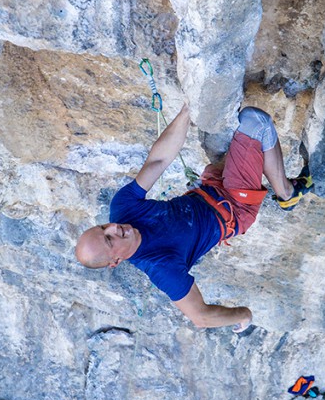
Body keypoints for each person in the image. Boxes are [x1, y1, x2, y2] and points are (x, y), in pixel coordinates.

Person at [75, 104, 311, 331]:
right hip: (236, 208)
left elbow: (158, 160)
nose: (115, 227)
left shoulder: (122, 208)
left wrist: (186, 111)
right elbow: (200, 317)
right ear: (115, 261)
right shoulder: (161, 267)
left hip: (211, 184)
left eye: (103, 227)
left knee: (219, 121)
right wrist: (243, 314)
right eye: (109, 240)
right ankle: (286, 193)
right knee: (256, 122)